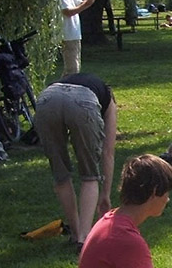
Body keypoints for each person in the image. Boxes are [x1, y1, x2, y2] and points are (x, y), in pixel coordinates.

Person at [36, 72, 118, 248]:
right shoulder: (109, 99)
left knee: (60, 174)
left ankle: (74, 232)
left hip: (48, 97)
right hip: (83, 101)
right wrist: (105, 195)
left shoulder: (73, 81)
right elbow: (108, 152)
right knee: (89, 175)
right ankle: (83, 239)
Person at [57, 0, 98, 76]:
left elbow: (80, 3)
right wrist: (87, 4)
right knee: (72, 69)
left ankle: (63, 88)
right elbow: (68, 12)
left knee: (74, 66)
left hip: (74, 34)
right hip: (67, 34)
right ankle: (66, 89)